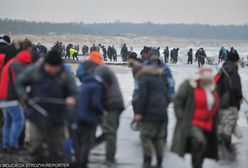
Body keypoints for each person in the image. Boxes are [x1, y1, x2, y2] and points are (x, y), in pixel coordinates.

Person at [15, 50, 78, 163]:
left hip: (57, 118)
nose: (52, 70)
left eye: (55, 67)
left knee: (57, 150)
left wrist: (72, 98)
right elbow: (19, 82)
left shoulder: (65, 75)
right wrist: (23, 95)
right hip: (36, 115)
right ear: (45, 64)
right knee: (35, 147)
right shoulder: (35, 70)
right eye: (50, 67)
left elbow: (75, 92)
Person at [77, 51, 124, 165]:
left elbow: (96, 90)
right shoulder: (103, 69)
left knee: (110, 132)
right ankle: (94, 146)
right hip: (116, 103)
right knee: (109, 130)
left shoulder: (99, 71)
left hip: (111, 105)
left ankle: (109, 159)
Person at [172, 67, 219, 168]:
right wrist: (181, 117)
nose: (207, 80)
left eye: (209, 78)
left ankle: (198, 164)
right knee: (199, 141)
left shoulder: (211, 89)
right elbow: (178, 101)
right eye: (205, 78)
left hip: (207, 123)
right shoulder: (190, 87)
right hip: (193, 122)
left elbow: (215, 106)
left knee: (201, 148)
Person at [131, 60, 168, 168]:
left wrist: (138, 113)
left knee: (146, 137)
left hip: (149, 114)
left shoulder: (144, 79)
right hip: (162, 113)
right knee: (159, 138)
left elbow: (142, 96)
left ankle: (147, 161)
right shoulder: (160, 79)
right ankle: (160, 161)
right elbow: (166, 95)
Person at [0, 39, 33, 152]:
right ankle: (13, 145)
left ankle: (5, 144)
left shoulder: (11, 62)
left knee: (8, 121)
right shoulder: (17, 65)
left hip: (3, 96)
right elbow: (18, 83)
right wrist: (23, 97)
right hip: (11, 97)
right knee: (19, 120)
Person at [74, 61, 105, 167]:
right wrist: (102, 111)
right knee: (87, 142)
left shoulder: (81, 86)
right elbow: (95, 104)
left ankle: (77, 161)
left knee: (78, 141)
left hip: (78, 117)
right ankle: (83, 163)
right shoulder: (95, 86)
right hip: (90, 119)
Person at [215, 52, 242, 155]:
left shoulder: (222, 69)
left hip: (221, 103)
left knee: (223, 123)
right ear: (235, 61)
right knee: (229, 124)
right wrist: (239, 98)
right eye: (238, 60)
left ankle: (221, 142)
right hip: (230, 102)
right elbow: (236, 88)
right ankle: (226, 148)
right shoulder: (233, 71)